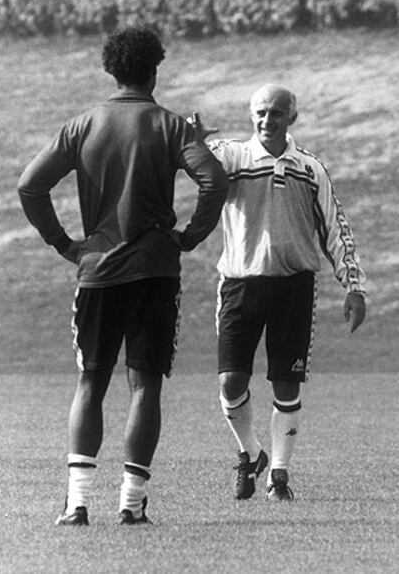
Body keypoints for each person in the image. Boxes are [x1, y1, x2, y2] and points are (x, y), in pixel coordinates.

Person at [18, 26, 228, 526]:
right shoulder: (171, 125)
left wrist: (65, 244)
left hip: (98, 271)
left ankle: (77, 503)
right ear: (154, 69)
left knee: (91, 381)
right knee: (145, 385)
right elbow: (214, 180)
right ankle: (132, 505)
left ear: (111, 69)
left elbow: (30, 186)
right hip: (155, 271)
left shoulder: (83, 125)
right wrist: (191, 236)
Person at [189, 84, 366, 501]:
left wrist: (354, 286)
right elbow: (185, 161)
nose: (268, 120)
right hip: (239, 284)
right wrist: (191, 141)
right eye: (261, 113)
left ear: (292, 118)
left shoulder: (310, 168)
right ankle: (250, 455)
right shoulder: (230, 156)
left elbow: (335, 228)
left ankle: (279, 476)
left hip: (294, 287)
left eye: (277, 113)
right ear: (251, 115)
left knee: (287, 383)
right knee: (231, 381)